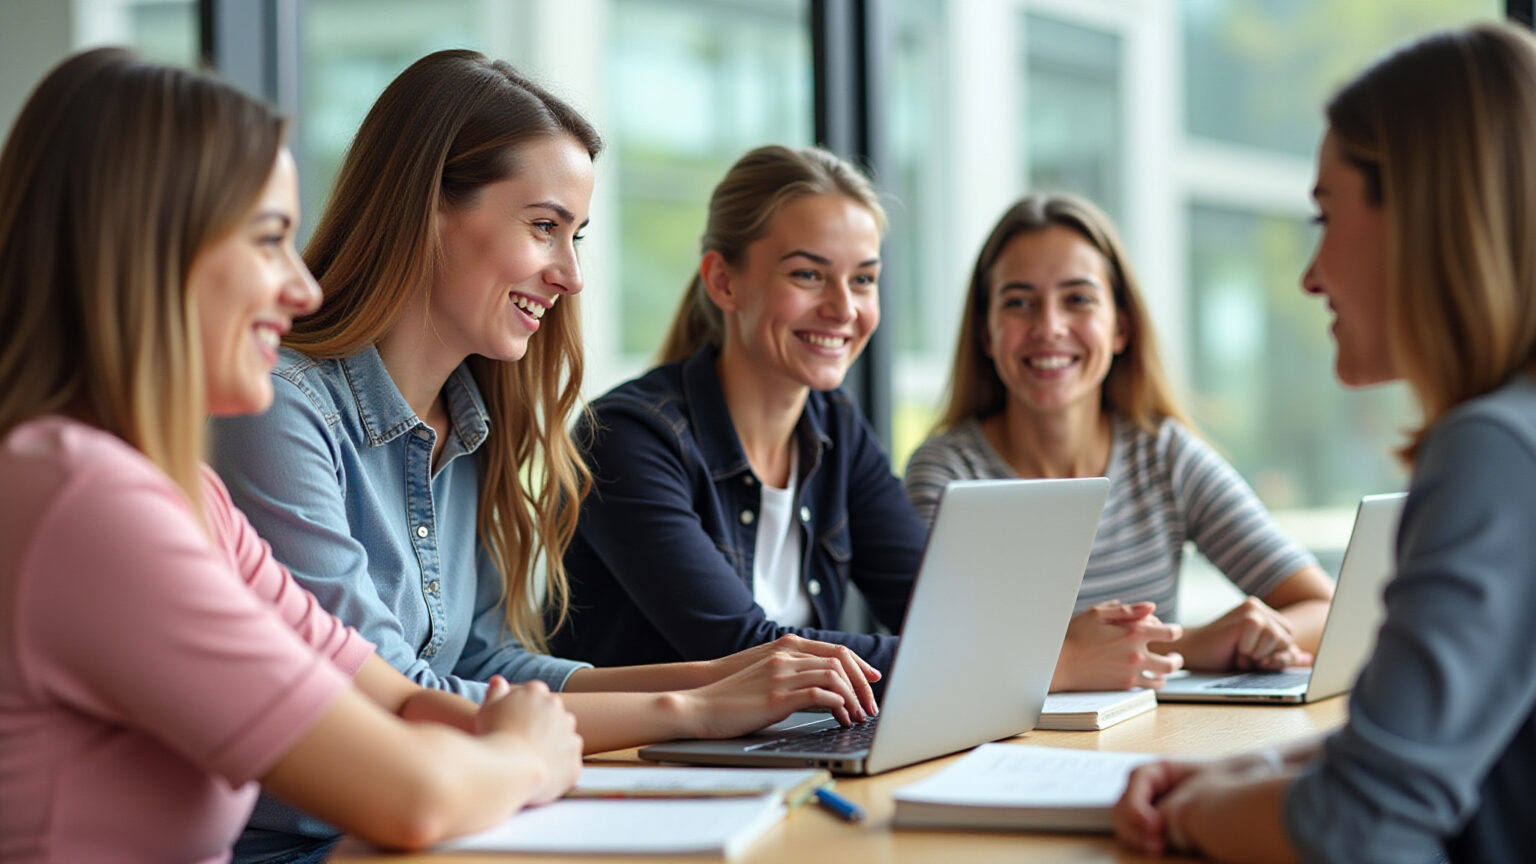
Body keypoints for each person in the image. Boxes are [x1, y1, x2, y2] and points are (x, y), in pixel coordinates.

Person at [208, 52, 877, 864]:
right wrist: (690, 707)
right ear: (429, 209)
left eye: (576, 235)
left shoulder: (477, 420)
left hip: (457, 825)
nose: (571, 275)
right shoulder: (280, 412)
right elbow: (387, 697)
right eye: (543, 226)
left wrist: (724, 677)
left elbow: (485, 662)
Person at [0, 47, 587, 863]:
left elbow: (388, 697)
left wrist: (514, 737)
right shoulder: (80, 498)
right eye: (270, 239)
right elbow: (412, 797)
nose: (302, 288)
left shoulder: (185, 494)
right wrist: (523, 754)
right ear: (153, 250)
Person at [1113, 22, 1536, 863]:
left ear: (1422, 215)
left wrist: (1190, 817)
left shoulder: (1493, 451)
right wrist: (1262, 763)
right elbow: (1453, 746)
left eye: (1327, 214)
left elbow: (1360, 826)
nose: (1310, 275)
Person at [552, 145, 1182, 693]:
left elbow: (936, 609)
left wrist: (1054, 650)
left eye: (864, 279)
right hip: (643, 776)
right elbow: (746, 652)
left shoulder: (835, 428)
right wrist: (1048, 663)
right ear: (723, 281)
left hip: (787, 752)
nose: (842, 308)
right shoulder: (628, 440)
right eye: (808, 274)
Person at [905, 193, 1334, 672]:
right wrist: (1189, 645)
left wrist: (1256, 636)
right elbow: (947, 658)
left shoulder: (1164, 456)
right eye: (1019, 302)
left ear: (1120, 329)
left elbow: (1325, 608)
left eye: (1078, 300)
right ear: (986, 333)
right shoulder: (946, 472)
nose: (1048, 327)